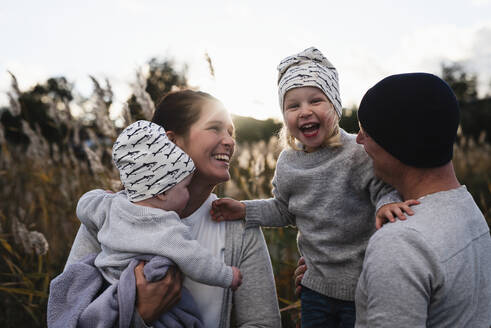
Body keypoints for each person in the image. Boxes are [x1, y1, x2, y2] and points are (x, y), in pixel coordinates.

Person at [210, 47, 418, 328]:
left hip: (362, 287)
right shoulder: (288, 161)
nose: (304, 111)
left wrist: (386, 205)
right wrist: (243, 209)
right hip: (314, 290)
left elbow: (382, 191)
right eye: (293, 106)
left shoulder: (356, 153)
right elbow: (282, 209)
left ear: (334, 104)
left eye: (315, 101)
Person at [64, 90, 281, 327]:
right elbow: (67, 313)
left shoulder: (238, 227)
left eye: (231, 132)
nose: (230, 141)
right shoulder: (110, 217)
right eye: (214, 128)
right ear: (170, 142)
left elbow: (263, 323)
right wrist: (142, 315)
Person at [353, 72, 491, 327]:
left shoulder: (401, 245)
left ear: (396, 143)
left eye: (366, 132)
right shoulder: (467, 208)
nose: (358, 139)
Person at [76, 120, 242, 290]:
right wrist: (228, 276)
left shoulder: (110, 205)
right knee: (186, 316)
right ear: (162, 193)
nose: (188, 192)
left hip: (104, 284)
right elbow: (196, 261)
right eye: (185, 187)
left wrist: (102, 195)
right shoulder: (165, 227)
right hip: (135, 293)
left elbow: (84, 205)